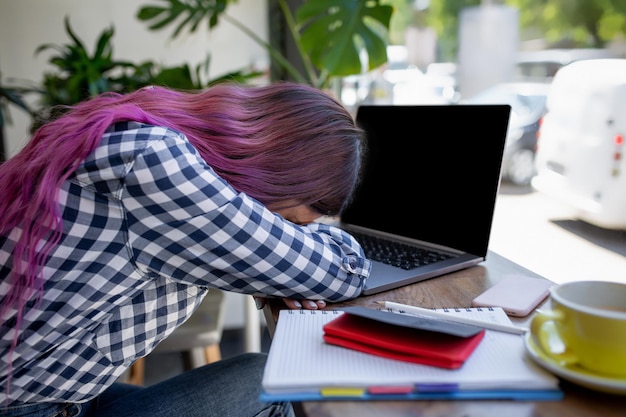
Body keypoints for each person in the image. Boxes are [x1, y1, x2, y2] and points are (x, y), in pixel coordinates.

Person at [0, 81, 372, 417]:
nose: (286, 232)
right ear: (284, 174)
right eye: (294, 225)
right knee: (268, 385)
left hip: (68, 392)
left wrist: (276, 262)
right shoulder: (156, 163)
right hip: (30, 407)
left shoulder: (147, 136)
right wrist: (285, 261)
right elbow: (343, 272)